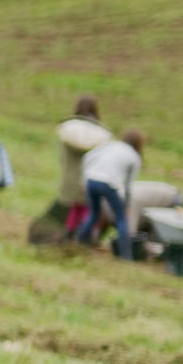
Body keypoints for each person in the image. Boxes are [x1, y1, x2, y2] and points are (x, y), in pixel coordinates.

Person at [77, 128, 147, 259]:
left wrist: (83, 179)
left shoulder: (111, 144)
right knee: (121, 218)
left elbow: (87, 157)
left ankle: (79, 242)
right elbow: (128, 185)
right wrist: (126, 206)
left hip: (91, 179)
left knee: (93, 213)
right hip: (108, 183)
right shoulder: (134, 157)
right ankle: (125, 255)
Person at [56, 95, 110, 237]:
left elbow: (62, 157)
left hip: (71, 177)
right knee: (89, 208)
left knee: (74, 208)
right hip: (91, 177)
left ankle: (68, 234)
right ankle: (84, 236)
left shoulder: (70, 129)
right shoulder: (99, 133)